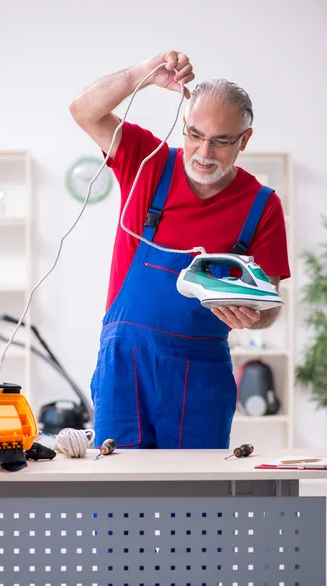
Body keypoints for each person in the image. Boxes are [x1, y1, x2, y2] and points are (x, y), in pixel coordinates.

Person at [69, 50, 290, 450]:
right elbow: (84, 110)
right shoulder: (147, 163)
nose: (204, 154)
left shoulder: (262, 205)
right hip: (124, 368)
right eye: (195, 136)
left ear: (245, 140)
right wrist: (141, 73)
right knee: (118, 498)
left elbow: (270, 303)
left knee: (199, 505)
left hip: (202, 378)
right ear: (184, 126)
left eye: (221, 142)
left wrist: (252, 318)